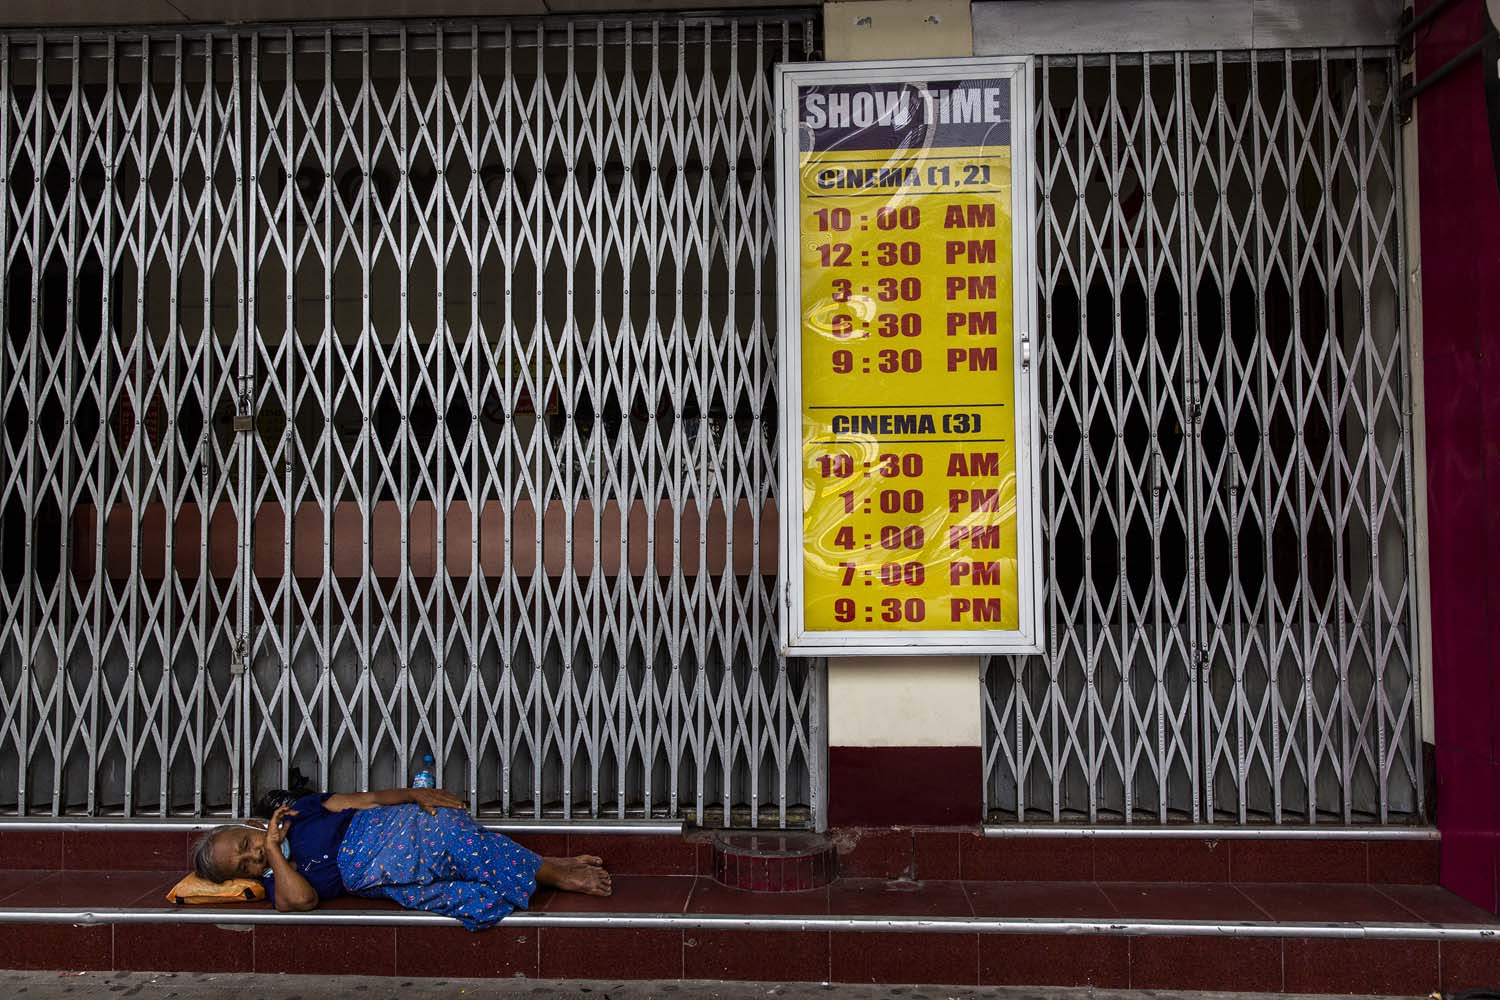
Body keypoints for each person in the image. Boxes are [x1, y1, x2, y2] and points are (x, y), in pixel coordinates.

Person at [191, 787, 611, 931]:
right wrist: (272, 854)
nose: (252, 855)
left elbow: (369, 800)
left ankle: (555, 873)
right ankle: (541, 863)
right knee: (472, 894)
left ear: (247, 824)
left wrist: (414, 794)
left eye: (245, 844)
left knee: (447, 830)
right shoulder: (276, 881)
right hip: (377, 870)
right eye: (244, 864)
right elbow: (300, 902)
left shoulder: (304, 811)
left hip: (389, 829)